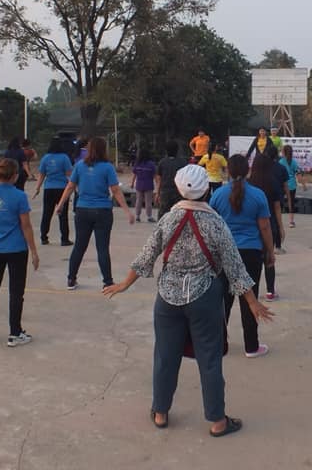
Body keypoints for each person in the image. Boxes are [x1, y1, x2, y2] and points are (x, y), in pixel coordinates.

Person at [102, 164, 274, 437]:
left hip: (167, 298)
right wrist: (252, 303)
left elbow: (147, 255)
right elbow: (235, 267)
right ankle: (217, 421)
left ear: (179, 188)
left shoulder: (168, 219)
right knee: (210, 359)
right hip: (205, 297)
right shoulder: (216, 223)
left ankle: (160, 412)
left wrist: (124, 283)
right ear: (207, 190)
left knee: (165, 356)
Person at [210, 154, 275, 357]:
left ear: (228, 171)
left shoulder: (218, 195)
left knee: (223, 300)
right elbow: (265, 227)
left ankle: (219, 344)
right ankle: (251, 346)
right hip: (251, 252)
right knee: (249, 298)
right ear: (248, 171)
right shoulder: (258, 195)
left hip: (224, 253)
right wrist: (270, 251)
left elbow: (211, 226)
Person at [58, 137, 134, 289]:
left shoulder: (80, 166)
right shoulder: (107, 167)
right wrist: (127, 211)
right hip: (102, 210)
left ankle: (71, 279)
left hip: (82, 209)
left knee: (79, 245)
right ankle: (107, 282)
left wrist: (60, 204)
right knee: (102, 247)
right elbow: (115, 190)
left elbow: (70, 186)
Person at [0, 158, 40, 346]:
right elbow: (26, 226)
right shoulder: (19, 196)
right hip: (16, 249)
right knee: (16, 292)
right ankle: (15, 332)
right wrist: (34, 251)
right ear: (14, 176)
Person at [249, 153, 284, 300]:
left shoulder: (249, 183)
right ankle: (270, 291)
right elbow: (277, 207)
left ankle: (251, 291)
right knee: (269, 257)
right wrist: (281, 227)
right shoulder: (273, 182)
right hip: (270, 223)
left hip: (252, 225)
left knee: (253, 260)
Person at [32, 138, 74, 245]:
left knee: (47, 213)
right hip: (62, 189)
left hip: (49, 188)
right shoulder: (64, 157)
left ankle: (44, 237)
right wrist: (73, 187)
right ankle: (64, 239)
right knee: (63, 214)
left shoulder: (45, 158)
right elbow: (69, 174)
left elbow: (42, 175)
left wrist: (37, 188)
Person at [155, 141, 184, 219]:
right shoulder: (182, 163)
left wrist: (157, 193)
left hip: (165, 191)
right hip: (178, 192)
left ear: (166, 150)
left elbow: (159, 179)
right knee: (178, 214)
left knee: (162, 213)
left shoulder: (162, 162)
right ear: (177, 150)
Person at [279, 144, 307, 229]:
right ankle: (291, 222)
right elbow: (298, 175)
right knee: (291, 203)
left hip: (282, 185)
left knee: (279, 203)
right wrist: (304, 185)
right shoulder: (294, 162)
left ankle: (278, 221)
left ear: (284, 152)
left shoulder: (280, 162)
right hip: (292, 185)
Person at [131, 148, 157, 222]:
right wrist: (157, 185)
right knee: (148, 201)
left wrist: (132, 183)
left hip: (139, 185)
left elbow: (134, 175)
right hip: (149, 185)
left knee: (138, 200)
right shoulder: (151, 164)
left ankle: (137, 216)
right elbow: (155, 176)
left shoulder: (137, 164)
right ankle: (149, 216)